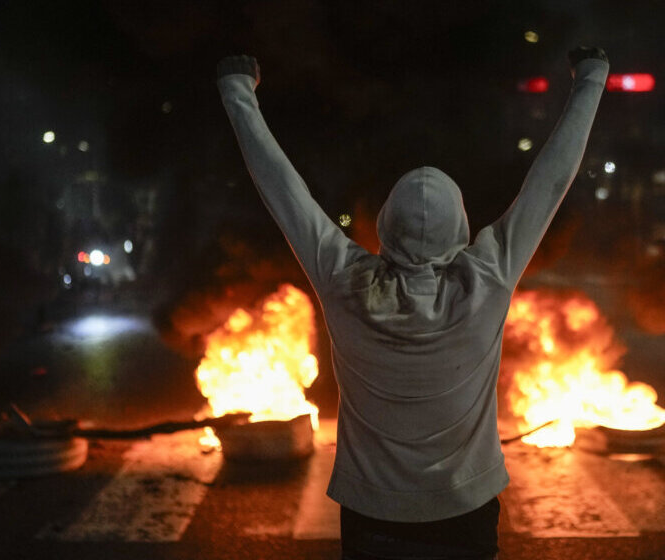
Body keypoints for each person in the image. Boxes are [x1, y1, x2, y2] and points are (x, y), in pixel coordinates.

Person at [216, 46, 608, 559]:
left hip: (371, 515)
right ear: (460, 225)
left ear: (385, 224)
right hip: (464, 514)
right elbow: (549, 183)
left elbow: (284, 191)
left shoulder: (345, 280)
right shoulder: (486, 279)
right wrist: (590, 80)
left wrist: (238, 92)